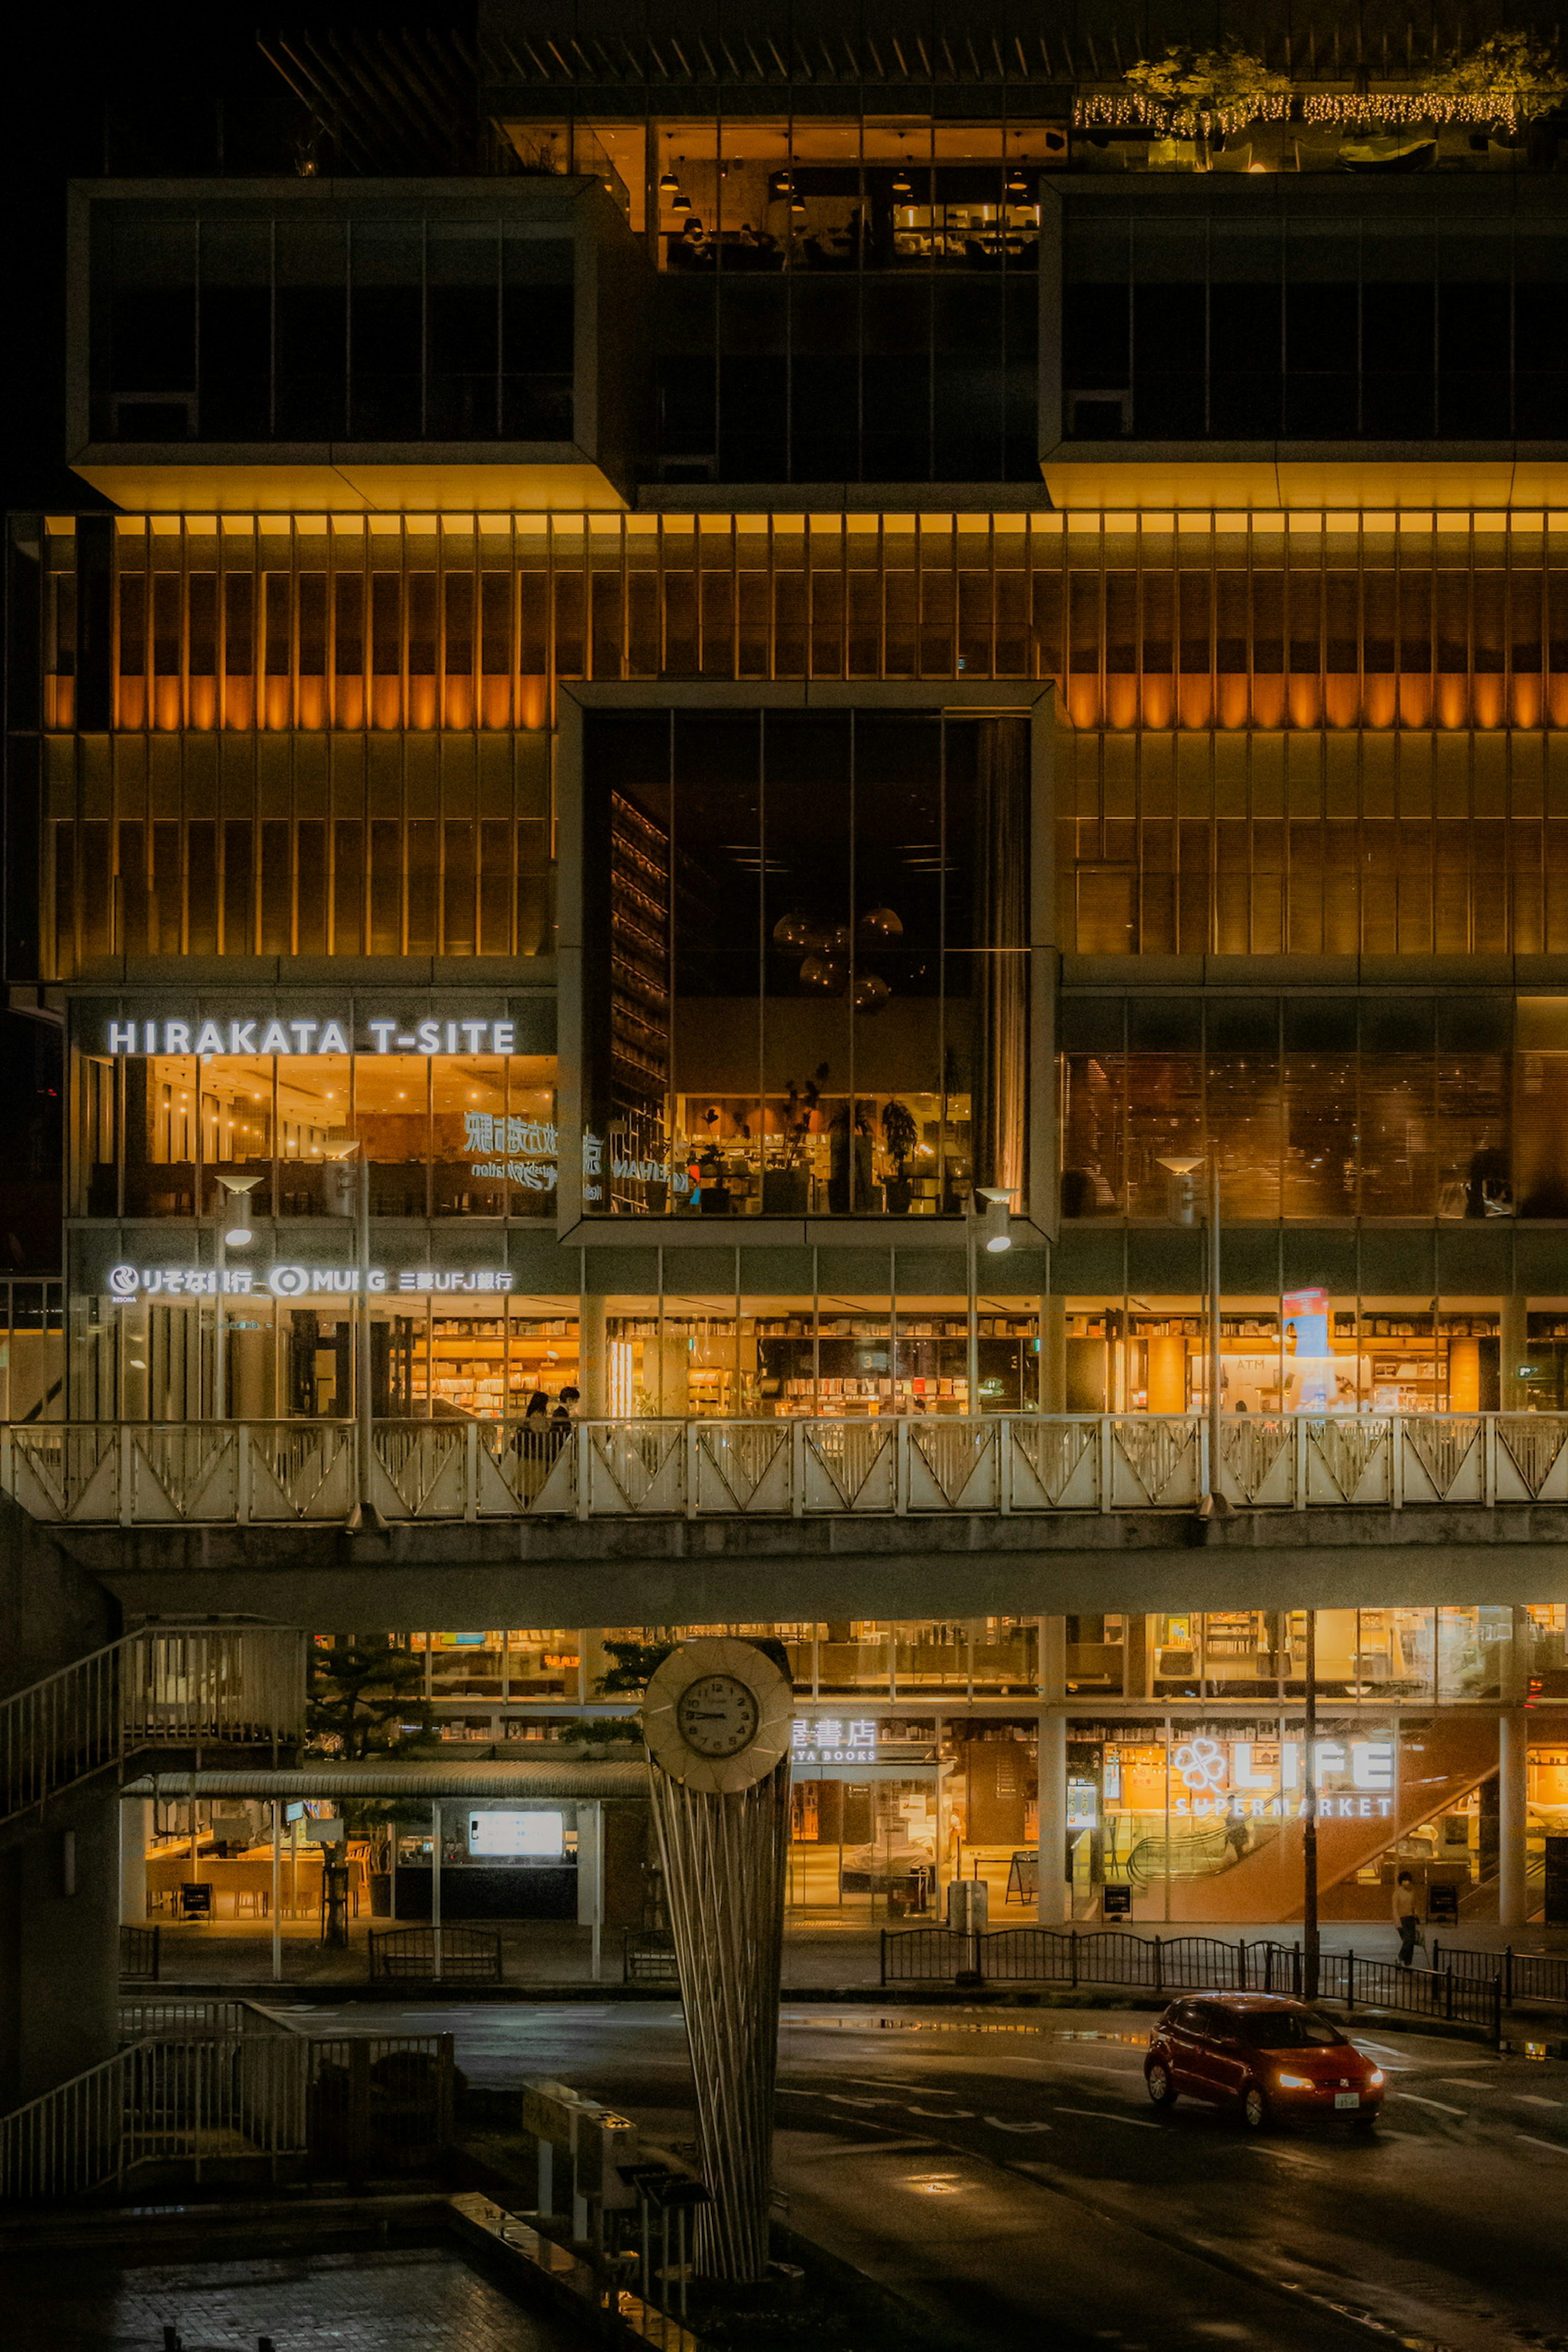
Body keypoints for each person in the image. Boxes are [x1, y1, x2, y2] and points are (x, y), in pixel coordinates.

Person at [1392, 1868, 1423, 1967]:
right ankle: (1400, 1958)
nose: (1407, 1883)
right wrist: (1398, 1922)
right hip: (1402, 1919)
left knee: (1412, 1941)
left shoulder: (1412, 1892)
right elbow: (1395, 1909)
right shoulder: (1397, 1893)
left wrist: (1417, 1916)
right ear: (1401, 1881)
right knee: (1408, 1940)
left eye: (1408, 1881)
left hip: (1411, 1918)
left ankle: (1408, 1963)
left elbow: (1414, 1906)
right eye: (1405, 1880)